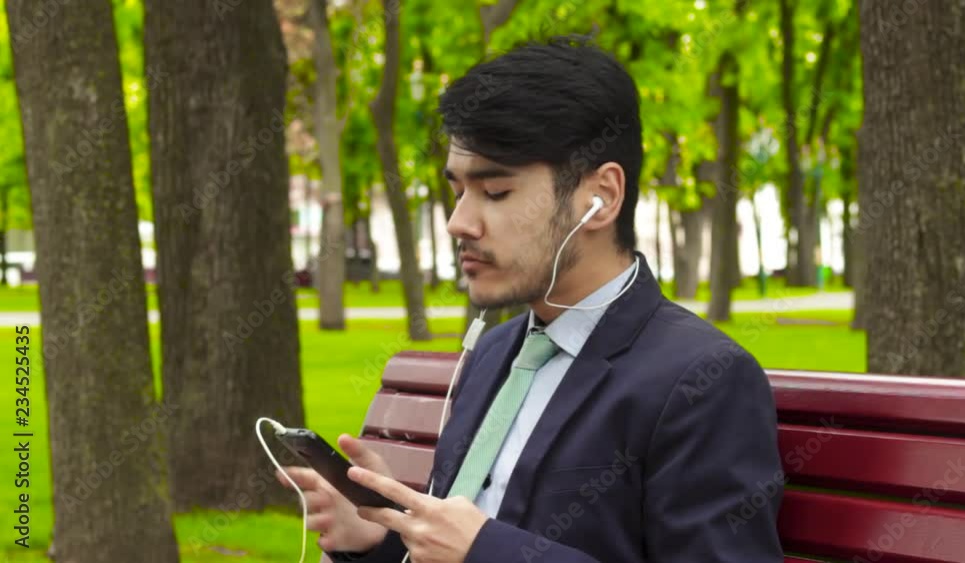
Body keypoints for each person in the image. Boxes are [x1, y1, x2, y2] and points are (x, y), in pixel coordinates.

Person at [277, 35, 784, 562]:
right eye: (458, 192)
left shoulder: (702, 381)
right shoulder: (496, 354)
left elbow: (477, 548)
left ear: (601, 197)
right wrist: (379, 536)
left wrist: (486, 551)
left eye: (496, 193)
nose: (460, 223)